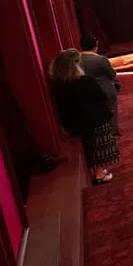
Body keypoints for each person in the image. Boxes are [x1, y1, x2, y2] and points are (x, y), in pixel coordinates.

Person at [50, 49, 117, 185]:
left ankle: (99, 171)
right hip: (95, 119)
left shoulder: (58, 85)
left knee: (92, 146)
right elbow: (101, 95)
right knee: (100, 145)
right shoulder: (85, 81)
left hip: (75, 122)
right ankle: (99, 174)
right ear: (75, 65)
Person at [79, 35, 120, 135]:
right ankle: (112, 132)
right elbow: (112, 74)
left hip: (86, 91)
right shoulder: (101, 59)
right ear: (95, 45)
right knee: (111, 110)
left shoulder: (77, 60)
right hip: (105, 89)